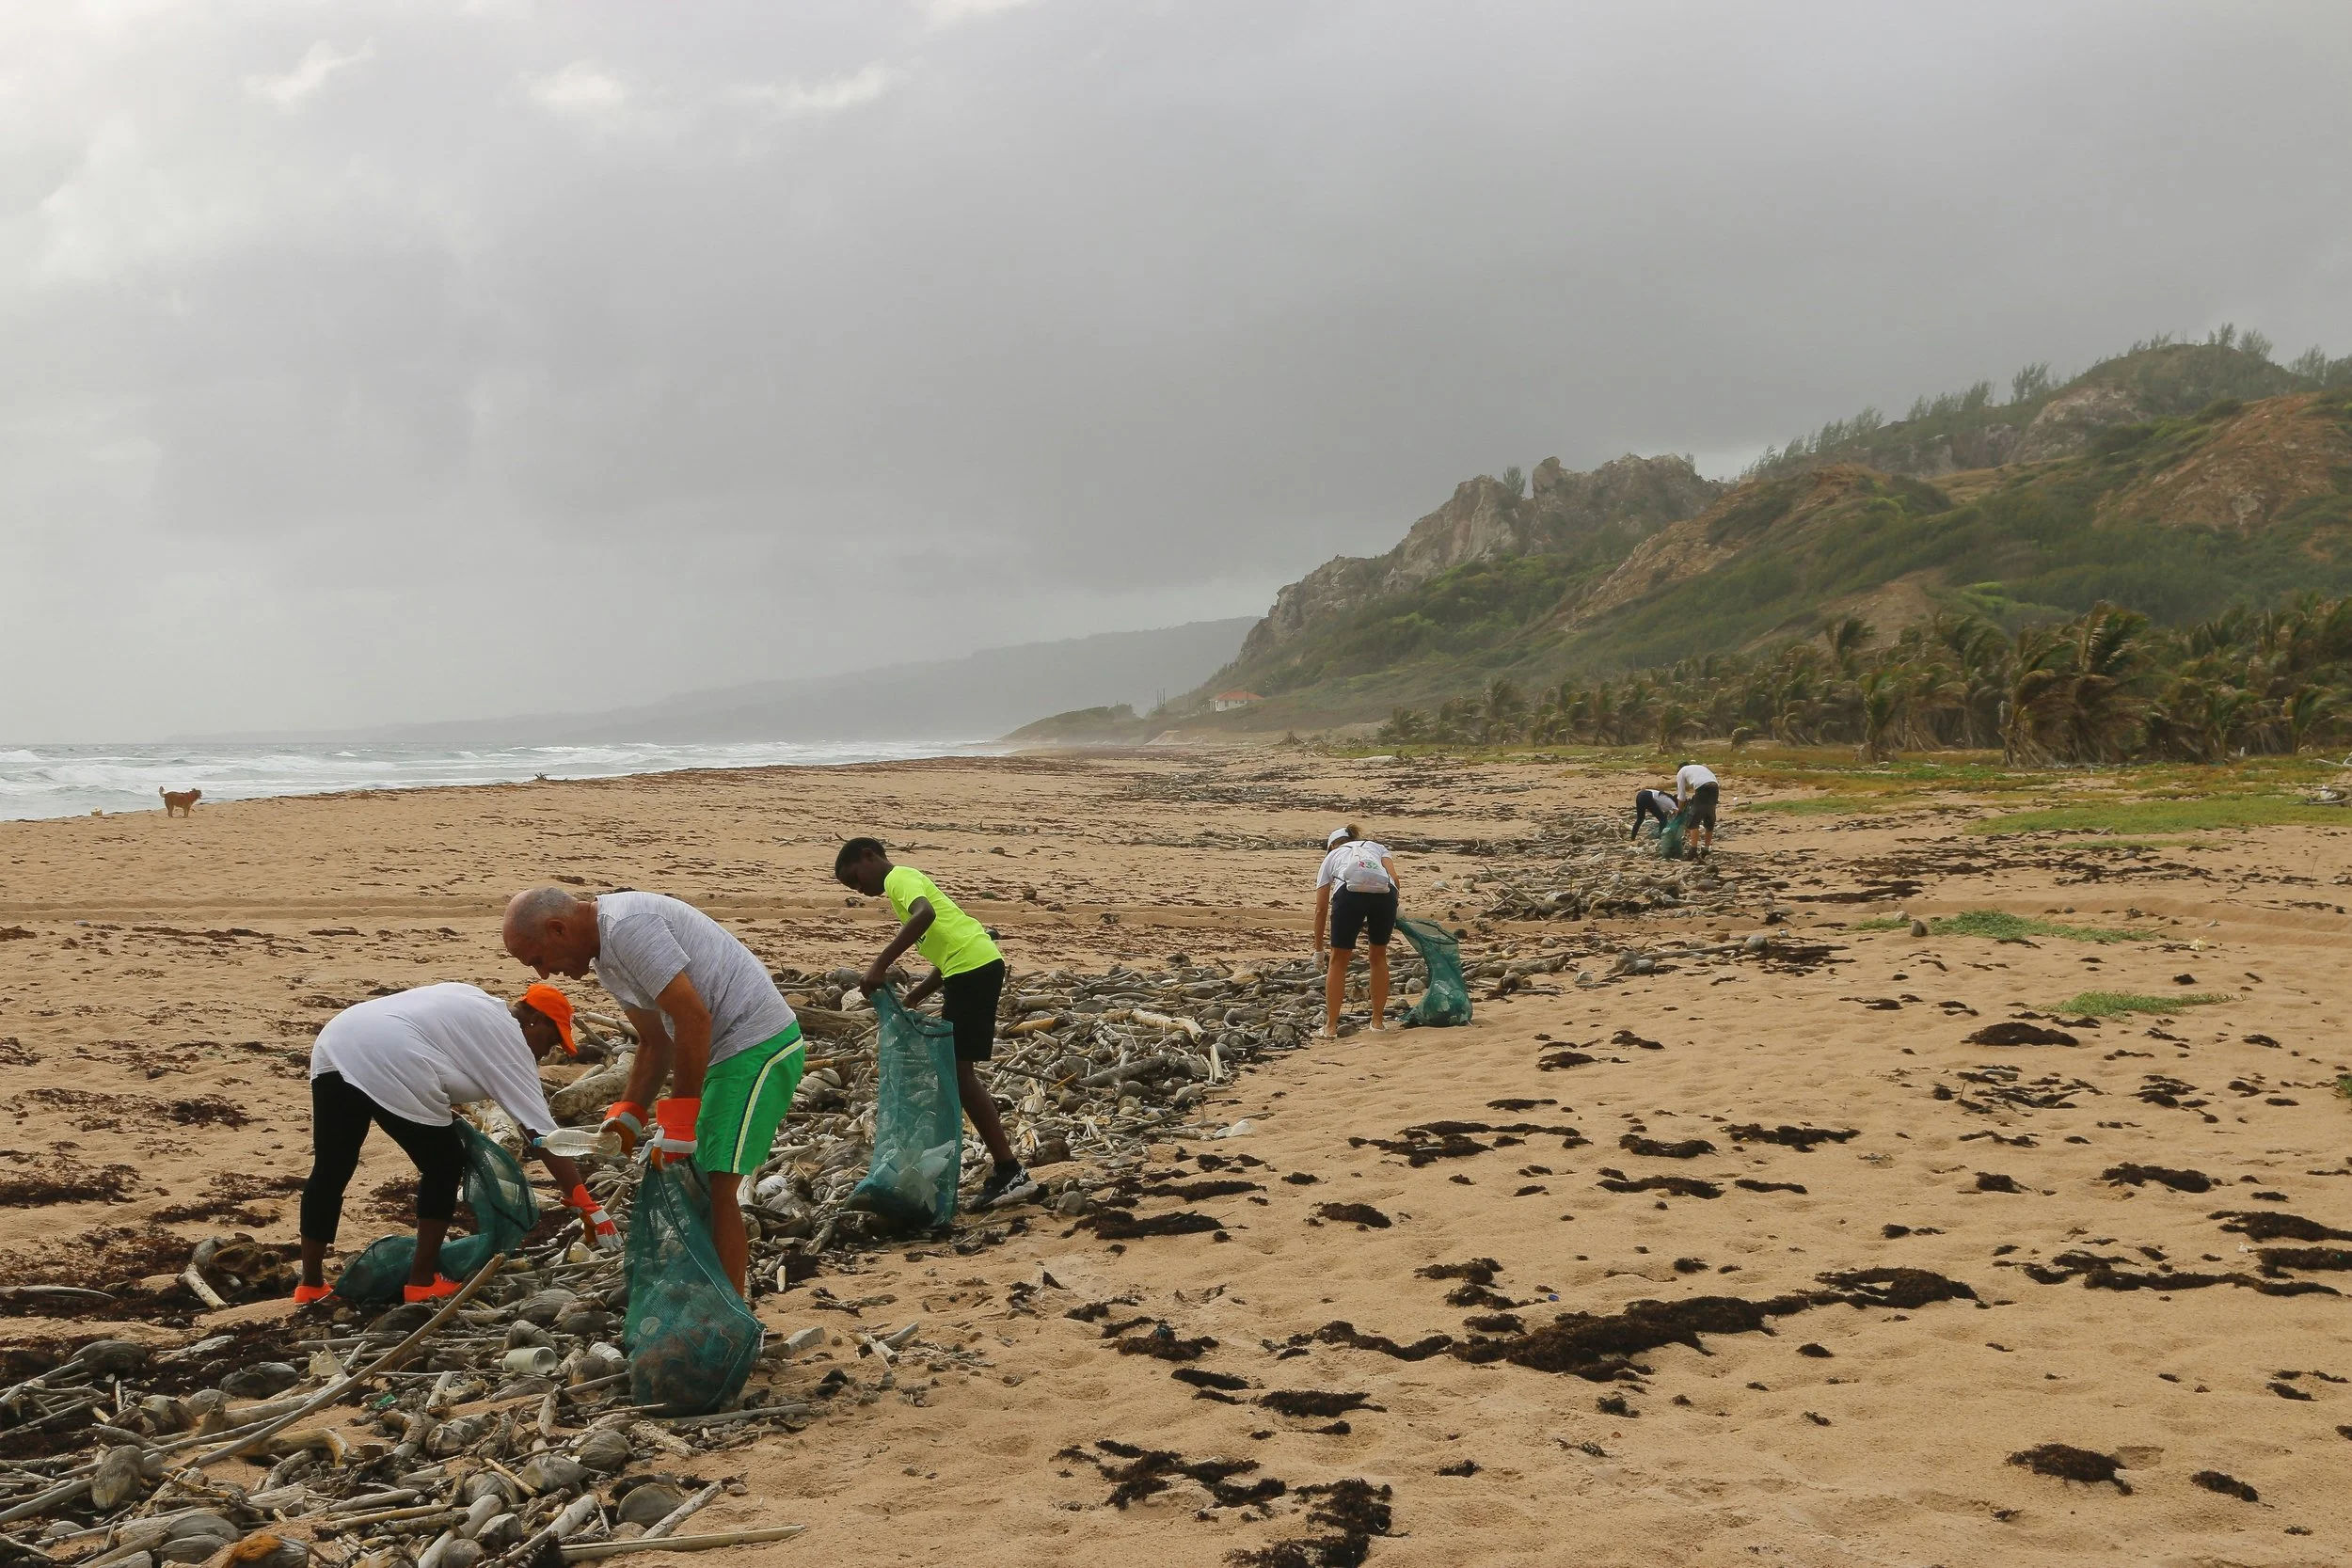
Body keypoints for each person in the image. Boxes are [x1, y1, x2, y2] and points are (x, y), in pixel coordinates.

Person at [502, 887, 803, 1297]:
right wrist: (628, 1115)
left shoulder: (628, 928)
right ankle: (709, 1295)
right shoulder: (606, 957)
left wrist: (678, 1124)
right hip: (722, 1055)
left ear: (557, 929)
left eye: (537, 960)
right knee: (696, 1182)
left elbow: (694, 1020)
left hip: (757, 1045)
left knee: (718, 1184)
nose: (543, 974)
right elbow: (655, 1041)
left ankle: (730, 1314)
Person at [295, 981, 616, 1306]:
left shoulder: (474, 998)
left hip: (337, 1039)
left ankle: (310, 1284)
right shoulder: (510, 1041)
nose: (550, 1051)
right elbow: (543, 1135)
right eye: (553, 1039)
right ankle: (421, 1282)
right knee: (445, 1164)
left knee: (332, 1166)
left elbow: (437, 1045)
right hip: (393, 1054)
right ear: (535, 1019)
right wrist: (586, 1204)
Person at [834, 838, 1040, 1211]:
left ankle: (1010, 1171)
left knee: (960, 1075)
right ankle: (1005, 1169)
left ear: (869, 856)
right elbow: (948, 949)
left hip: (974, 970)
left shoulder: (900, 877)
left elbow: (926, 915)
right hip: (970, 968)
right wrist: (918, 995)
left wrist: (879, 965)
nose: (860, 890)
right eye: (852, 889)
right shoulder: (900, 892)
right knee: (958, 1074)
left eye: (855, 878)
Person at [1312, 825, 1401, 1039]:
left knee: (1338, 961)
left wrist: (1318, 950)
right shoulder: (1377, 847)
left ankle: (1331, 1026)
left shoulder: (1332, 856)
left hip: (1349, 894)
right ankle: (1378, 1022)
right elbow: (1395, 880)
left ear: (1332, 845)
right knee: (1378, 957)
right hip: (1384, 895)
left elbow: (1320, 908)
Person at [1675, 760, 1721, 857]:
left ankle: (1693, 851)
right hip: (1714, 786)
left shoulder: (1681, 772)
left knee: (1694, 821)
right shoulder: (1698, 767)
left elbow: (1681, 796)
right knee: (1709, 817)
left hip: (1702, 788)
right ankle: (1706, 849)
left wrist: (1680, 810)